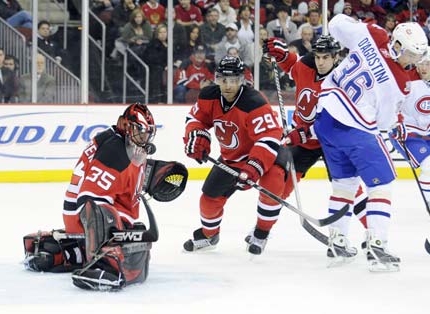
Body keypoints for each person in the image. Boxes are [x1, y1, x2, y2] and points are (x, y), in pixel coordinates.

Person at [23, 103, 188, 291]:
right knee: (106, 211)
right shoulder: (114, 151)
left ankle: (70, 251)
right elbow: (90, 198)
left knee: (138, 238)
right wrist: (105, 245)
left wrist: (153, 172)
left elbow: (121, 177)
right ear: (125, 125)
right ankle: (102, 263)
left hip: (79, 219)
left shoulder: (118, 141)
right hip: (84, 219)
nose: (144, 138)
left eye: (147, 134)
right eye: (140, 132)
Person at [311, 14, 428, 272]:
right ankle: (377, 245)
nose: (414, 61)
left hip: (326, 118)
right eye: (410, 54)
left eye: (417, 56)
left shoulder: (373, 35)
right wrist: (396, 125)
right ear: (397, 45)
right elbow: (384, 123)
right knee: (383, 183)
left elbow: (336, 24)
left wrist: (358, 25)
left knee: (345, 183)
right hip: (354, 126)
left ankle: (337, 242)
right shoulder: (401, 82)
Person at [263, 35, 369, 253]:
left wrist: (301, 134)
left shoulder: (343, 81)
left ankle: (372, 233)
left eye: (326, 58)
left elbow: (333, 121)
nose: (320, 62)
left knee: (348, 188)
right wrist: (280, 53)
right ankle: (262, 231)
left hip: (333, 141)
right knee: (280, 179)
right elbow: (292, 64)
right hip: (304, 142)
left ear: (336, 57)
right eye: (317, 57)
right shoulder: (306, 66)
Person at [182, 56, 289, 255]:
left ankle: (261, 233)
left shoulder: (254, 102)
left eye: (233, 80)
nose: (228, 85)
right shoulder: (208, 96)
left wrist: (254, 166)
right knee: (208, 200)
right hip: (231, 159)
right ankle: (209, 235)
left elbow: (268, 137)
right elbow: (195, 118)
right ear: (216, 79)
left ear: (242, 80)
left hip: (265, 157)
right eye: (223, 80)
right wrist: (197, 135)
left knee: (273, 185)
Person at [389, 46, 430, 221]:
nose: (424, 67)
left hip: (427, 130)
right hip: (405, 131)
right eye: (421, 63)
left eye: (429, 63)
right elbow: (393, 104)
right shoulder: (406, 80)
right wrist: (395, 122)